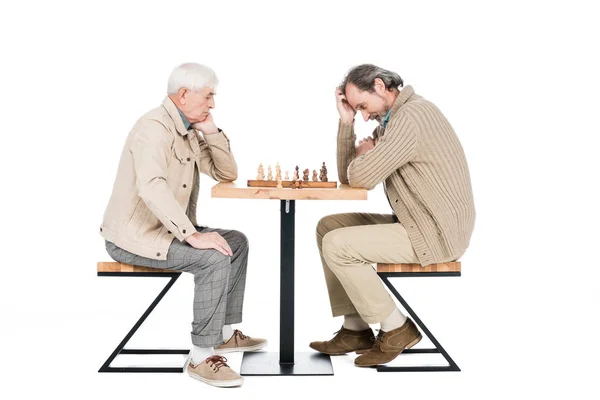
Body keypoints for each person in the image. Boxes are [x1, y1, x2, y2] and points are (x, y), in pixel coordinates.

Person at [100, 62, 266, 387]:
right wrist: (192, 235)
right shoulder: (152, 129)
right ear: (184, 94)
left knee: (236, 242)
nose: (213, 104)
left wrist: (213, 132)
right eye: (209, 96)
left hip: (166, 233)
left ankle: (225, 334)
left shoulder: (187, 130)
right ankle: (202, 357)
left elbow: (226, 173)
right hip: (134, 238)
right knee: (214, 257)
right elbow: (152, 186)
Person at [310, 64, 475, 367]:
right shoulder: (391, 121)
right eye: (355, 109)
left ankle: (397, 328)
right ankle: (356, 329)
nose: (362, 114)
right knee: (328, 227)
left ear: (380, 86)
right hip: (418, 223)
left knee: (338, 245)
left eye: (361, 105)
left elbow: (361, 177)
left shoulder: (412, 117)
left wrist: (365, 157)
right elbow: (349, 177)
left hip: (436, 234)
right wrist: (346, 124)